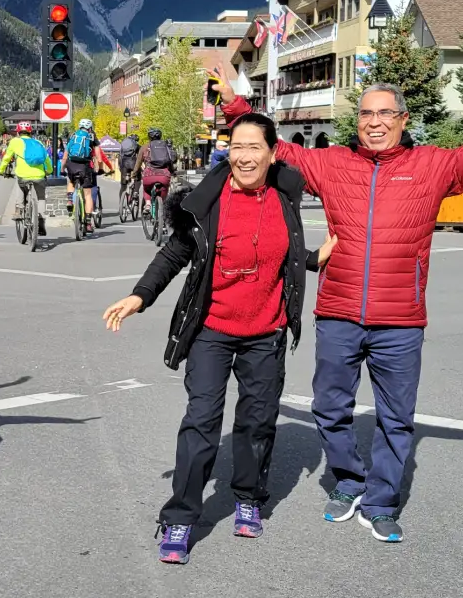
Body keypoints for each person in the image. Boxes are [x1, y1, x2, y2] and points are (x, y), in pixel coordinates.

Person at [213, 64, 463, 542]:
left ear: (403, 120)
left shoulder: (434, 166)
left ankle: (382, 501)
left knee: (396, 418)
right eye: (366, 113)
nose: (374, 122)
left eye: (385, 113)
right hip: (338, 312)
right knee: (329, 407)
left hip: (401, 320)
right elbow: (275, 149)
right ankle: (348, 481)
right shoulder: (331, 165)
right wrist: (236, 106)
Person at [103, 113, 337, 564]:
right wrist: (140, 296)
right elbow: (175, 252)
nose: (245, 156)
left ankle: (248, 496)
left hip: (265, 333)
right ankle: (179, 517)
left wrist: (313, 259)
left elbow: (280, 250)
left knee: (256, 423)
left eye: (254, 147)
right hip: (212, 330)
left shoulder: (286, 196)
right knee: (201, 423)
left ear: (272, 154)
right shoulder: (207, 201)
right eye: (237, 146)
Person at [0, 121, 52, 235]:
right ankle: (41, 222)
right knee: (41, 198)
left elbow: (7, 157)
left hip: (23, 175)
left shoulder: (15, 142)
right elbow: (47, 159)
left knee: (20, 186)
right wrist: (49, 171)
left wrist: (1, 170)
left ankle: (19, 210)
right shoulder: (38, 142)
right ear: (30, 132)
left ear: (18, 132)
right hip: (39, 176)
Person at [64, 118, 112, 233]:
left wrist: (63, 167)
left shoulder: (73, 135)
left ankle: (70, 200)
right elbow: (100, 157)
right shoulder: (92, 137)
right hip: (85, 167)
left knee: (71, 180)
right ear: (90, 127)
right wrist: (100, 168)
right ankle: (88, 222)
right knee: (88, 195)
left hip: (72, 164)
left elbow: (66, 152)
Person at [138, 128, 177, 212]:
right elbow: (170, 161)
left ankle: (148, 204)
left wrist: (134, 174)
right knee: (164, 188)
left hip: (149, 174)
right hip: (164, 175)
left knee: (146, 189)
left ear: (149, 137)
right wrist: (173, 172)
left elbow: (138, 163)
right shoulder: (165, 146)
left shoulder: (145, 147)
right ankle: (161, 205)